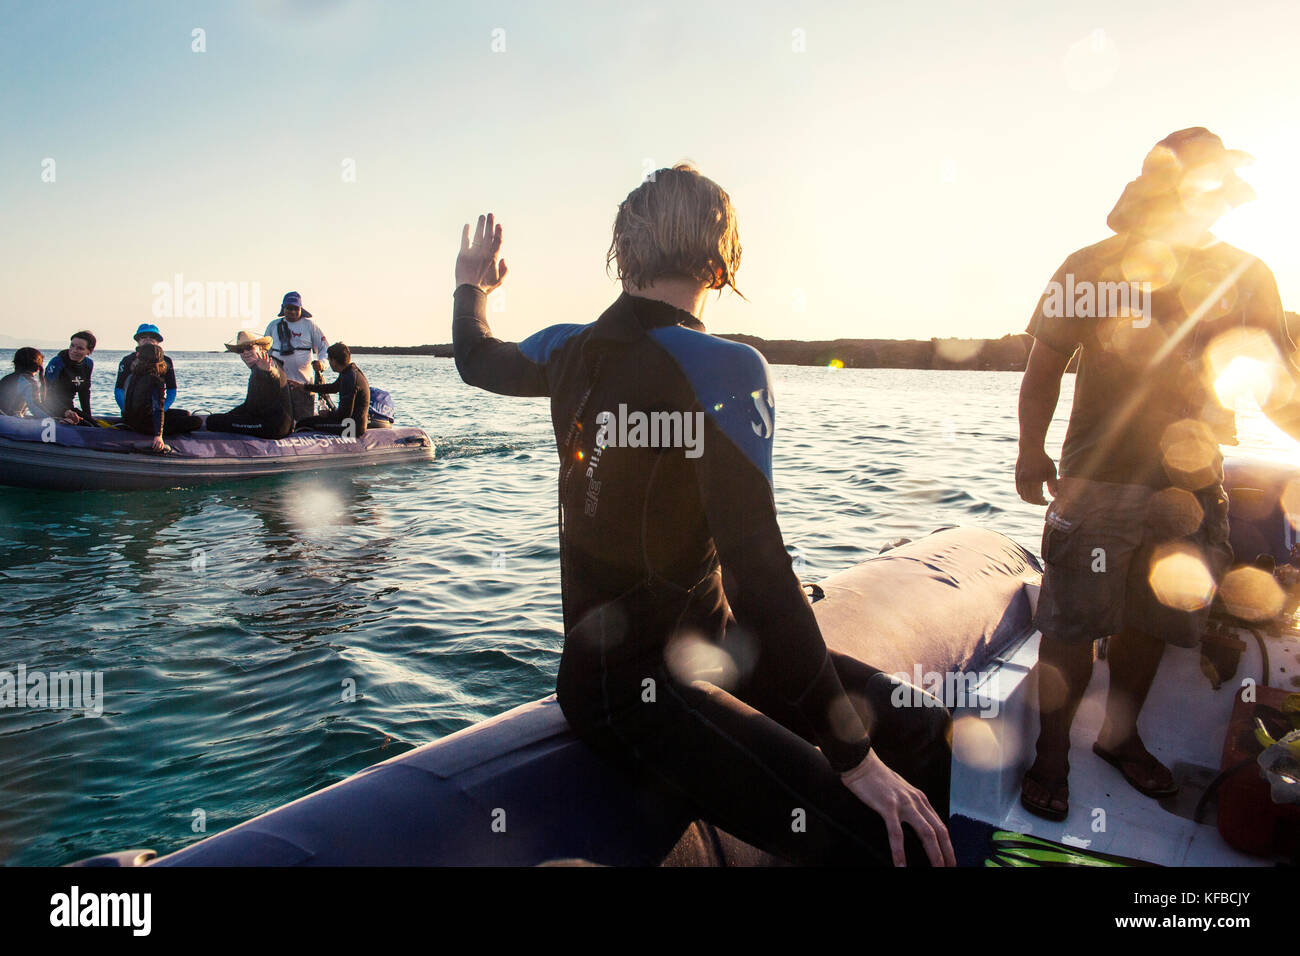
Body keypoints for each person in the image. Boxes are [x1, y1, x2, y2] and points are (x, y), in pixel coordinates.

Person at [451, 169, 954, 867]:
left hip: (712, 644)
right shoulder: (724, 367)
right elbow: (759, 568)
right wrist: (852, 757)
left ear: (623, 252)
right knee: (881, 831)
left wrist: (471, 286)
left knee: (920, 723)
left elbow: (476, 359)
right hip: (630, 690)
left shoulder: (566, 348)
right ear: (721, 260)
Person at [1016, 128, 1300, 821]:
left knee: (1154, 618)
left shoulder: (1247, 275)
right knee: (1073, 621)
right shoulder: (1088, 267)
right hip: (1098, 479)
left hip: (1192, 490)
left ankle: (1119, 738)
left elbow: (1275, 387)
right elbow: (1044, 366)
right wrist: (1031, 450)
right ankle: (1051, 756)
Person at [204, 331, 294, 440]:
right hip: (267, 421)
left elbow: (275, 376)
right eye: (241, 350)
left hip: (273, 427)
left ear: (260, 348)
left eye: (249, 348)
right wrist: (228, 415)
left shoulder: (269, 365)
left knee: (213, 422)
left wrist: (268, 372)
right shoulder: (256, 370)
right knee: (216, 419)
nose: (245, 352)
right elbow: (249, 405)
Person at [121, 342, 202, 452]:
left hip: (132, 420)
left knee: (184, 413)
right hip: (147, 425)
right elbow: (157, 408)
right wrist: (158, 435)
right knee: (197, 421)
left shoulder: (131, 377)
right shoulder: (155, 381)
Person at [265, 291, 330, 422]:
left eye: (296, 308)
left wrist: (322, 364)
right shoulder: (273, 326)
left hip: (304, 386)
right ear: (283, 308)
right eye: (289, 308)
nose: (292, 312)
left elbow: (324, 349)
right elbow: (266, 353)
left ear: (301, 308)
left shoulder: (310, 325)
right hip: (279, 386)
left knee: (305, 421)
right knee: (279, 420)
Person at [291, 343, 369, 437]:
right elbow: (332, 388)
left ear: (334, 361)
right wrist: (304, 387)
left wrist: (328, 414)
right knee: (310, 420)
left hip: (351, 428)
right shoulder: (350, 371)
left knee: (302, 423)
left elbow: (345, 414)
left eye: (329, 359)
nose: (329, 362)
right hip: (352, 423)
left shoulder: (349, 378)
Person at [0, 348, 79, 422]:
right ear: (38, 367)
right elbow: (35, 407)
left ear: (15, 363)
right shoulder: (29, 382)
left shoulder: (6, 378)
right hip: (7, 422)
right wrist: (55, 420)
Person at [115, 324, 177, 414]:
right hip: (133, 411)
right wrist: (125, 410)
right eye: (143, 337)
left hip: (157, 409)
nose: (148, 340)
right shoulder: (127, 361)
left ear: (158, 341)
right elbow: (119, 389)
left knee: (188, 416)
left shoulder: (166, 361)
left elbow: (172, 389)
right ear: (138, 340)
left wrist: (163, 410)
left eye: (152, 337)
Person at [43, 331, 96, 423]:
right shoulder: (57, 362)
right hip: (50, 406)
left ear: (89, 351)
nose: (74, 350)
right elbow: (46, 392)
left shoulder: (88, 364)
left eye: (80, 348)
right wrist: (64, 411)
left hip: (69, 407)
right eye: (72, 346)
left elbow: (84, 392)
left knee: (91, 423)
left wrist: (89, 417)